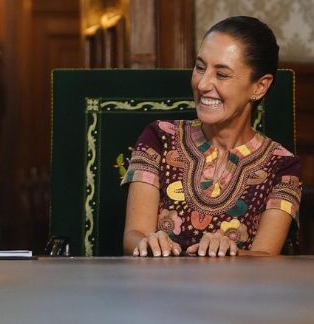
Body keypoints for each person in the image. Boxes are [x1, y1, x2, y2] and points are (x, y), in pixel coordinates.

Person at [122, 16, 301, 257]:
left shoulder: (283, 166)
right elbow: (133, 235)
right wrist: (147, 243)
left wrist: (231, 253)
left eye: (222, 74)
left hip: (238, 294)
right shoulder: (158, 138)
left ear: (260, 86)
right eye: (200, 67)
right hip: (157, 290)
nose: (203, 84)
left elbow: (265, 257)